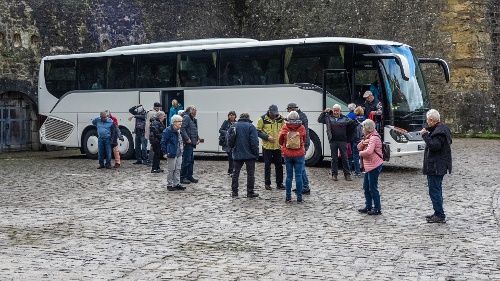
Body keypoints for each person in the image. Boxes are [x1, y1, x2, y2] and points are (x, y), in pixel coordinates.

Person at [420, 109, 452, 223]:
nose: (427, 122)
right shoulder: (440, 128)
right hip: (437, 166)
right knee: (435, 190)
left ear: (432, 120)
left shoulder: (439, 132)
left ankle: (440, 214)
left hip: (436, 167)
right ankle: (437, 212)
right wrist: (427, 130)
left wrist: (425, 136)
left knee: (435, 190)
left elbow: (434, 146)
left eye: (428, 120)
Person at [317, 104, 356, 181]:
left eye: (337, 110)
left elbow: (353, 124)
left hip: (342, 141)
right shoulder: (329, 118)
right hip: (333, 140)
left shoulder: (345, 118)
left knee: (345, 158)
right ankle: (334, 175)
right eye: (334, 110)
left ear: (340, 111)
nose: (335, 112)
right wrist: (324, 112)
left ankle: (347, 174)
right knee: (334, 159)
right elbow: (319, 120)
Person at [357, 119, 384, 215]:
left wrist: (360, 153)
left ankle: (377, 208)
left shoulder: (374, 138)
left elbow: (368, 152)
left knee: (372, 188)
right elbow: (358, 146)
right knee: (366, 187)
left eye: (363, 127)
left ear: (367, 129)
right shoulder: (368, 137)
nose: (362, 129)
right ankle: (368, 206)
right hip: (369, 166)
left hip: (374, 165)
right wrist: (363, 143)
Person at [279, 111, 306, 203]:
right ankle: (299, 197)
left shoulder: (285, 127)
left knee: (289, 176)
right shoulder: (301, 127)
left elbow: (280, 140)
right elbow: (304, 138)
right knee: (298, 175)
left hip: (288, 154)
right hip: (299, 154)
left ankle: (288, 197)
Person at [230, 113, 260, 198]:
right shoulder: (251, 126)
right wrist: (256, 153)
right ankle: (250, 192)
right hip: (249, 154)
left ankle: (234, 191)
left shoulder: (234, 126)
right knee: (250, 174)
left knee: (235, 172)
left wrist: (232, 148)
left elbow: (229, 139)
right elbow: (254, 141)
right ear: (248, 118)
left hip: (237, 153)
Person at [256, 104, 285, 190]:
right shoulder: (262, 119)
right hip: (267, 146)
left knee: (279, 165)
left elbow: (284, 130)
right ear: (269, 111)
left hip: (277, 146)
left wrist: (282, 143)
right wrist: (267, 137)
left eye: (275, 113)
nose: (274, 115)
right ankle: (267, 183)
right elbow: (258, 131)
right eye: (273, 113)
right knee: (267, 165)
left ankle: (279, 183)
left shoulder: (280, 119)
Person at [286, 102, 311, 195]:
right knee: (300, 167)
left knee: (301, 168)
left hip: (301, 144)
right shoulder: (302, 116)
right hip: (302, 143)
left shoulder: (300, 117)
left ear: (292, 109)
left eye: (288, 110)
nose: (288, 112)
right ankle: (303, 186)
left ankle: (305, 187)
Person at [161, 114, 186, 191]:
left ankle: (176, 184)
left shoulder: (179, 130)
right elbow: (163, 142)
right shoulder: (168, 130)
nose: (181, 123)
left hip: (179, 152)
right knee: (171, 169)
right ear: (174, 122)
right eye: (179, 121)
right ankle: (169, 184)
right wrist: (164, 152)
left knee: (178, 169)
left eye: (181, 121)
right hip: (172, 152)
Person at [179, 106, 200, 184]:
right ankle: (183, 177)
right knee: (186, 160)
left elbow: (194, 130)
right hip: (187, 143)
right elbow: (182, 128)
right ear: (192, 112)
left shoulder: (193, 119)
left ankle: (189, 176)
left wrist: (197, 138)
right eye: (195, 111)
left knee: (191, 160)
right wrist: (187, 138)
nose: (196, 113)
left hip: (191, 143)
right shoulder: (187, 117)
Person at [349, 106, 366, 177]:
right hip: (364, 141)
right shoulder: (365, 121)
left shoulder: (354, 121)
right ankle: (364, 169)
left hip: (356, 141)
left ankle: (357, 171)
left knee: (356, 156)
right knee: (363, 156)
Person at [219, 111, 237, 176]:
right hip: (227, 142)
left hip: (234, 142)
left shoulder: (236, 123)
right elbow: (220, 130)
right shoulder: (226, 122)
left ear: (235, 116)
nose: (231, 116)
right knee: (230, 157)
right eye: (230, 115)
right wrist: (227, 132)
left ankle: (231, 170)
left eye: (233, 115)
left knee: (233, 157)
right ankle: (231, 170)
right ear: (228, 116)